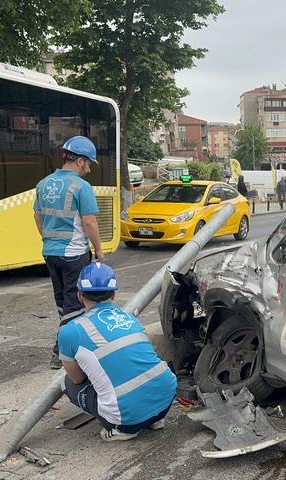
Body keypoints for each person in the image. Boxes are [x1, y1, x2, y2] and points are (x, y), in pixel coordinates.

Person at [58, 262, 177, 442]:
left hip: (126, 419)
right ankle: (155, 419)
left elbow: (77, 379)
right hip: (167, 398)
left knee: (67, 383)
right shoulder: (128, 317)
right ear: (113, 294)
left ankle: (124, 431)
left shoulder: (69, 331)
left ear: (80, 295)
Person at [34, 135, 105, 369]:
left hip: (50, 252)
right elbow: (90, 222)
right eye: (89, 164)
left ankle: (72, 343)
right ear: (81, 161)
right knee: (74, 303)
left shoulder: (43, 184)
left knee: (62, 301)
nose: (89, 171)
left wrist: (48, 237)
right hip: (74, 253)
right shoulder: (81, 187)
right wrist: (99, 249)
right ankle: (61, 352)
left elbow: (37, 216)